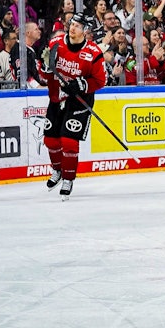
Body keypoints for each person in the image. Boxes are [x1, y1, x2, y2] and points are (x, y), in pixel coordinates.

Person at [39, 13, 108, 200]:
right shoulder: (56, 43)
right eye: (72, 24)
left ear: (86, 30)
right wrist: (44, 69)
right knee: (51, 141)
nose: (73, 27)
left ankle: (68, 178)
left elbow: (101, 80)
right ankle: (58, 170)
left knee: (69, 142)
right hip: (57, 98)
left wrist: (81, 84)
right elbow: (46, 73)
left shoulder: (93, 52)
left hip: (79, 101)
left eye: (78, 25)